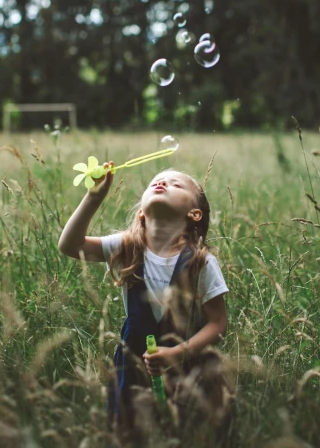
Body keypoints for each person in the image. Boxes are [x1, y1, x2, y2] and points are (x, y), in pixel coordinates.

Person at [58, 162, 235, 445]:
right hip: (133, 364)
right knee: (133, 432)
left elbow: (218, 322)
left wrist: (178, 352)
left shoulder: (201, 262)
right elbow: (70, 245)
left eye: (176, 184)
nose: (162, 183)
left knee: (188, 432)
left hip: (188, 364)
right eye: (156, 181)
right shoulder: (126, 247)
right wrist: (94, 197)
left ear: (194, 214)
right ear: (142, 211)